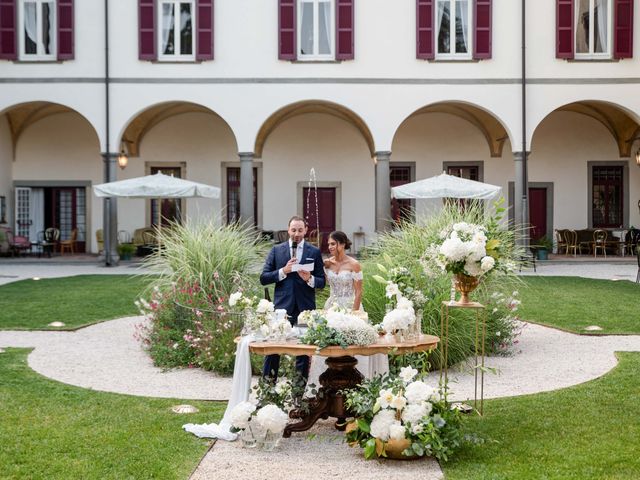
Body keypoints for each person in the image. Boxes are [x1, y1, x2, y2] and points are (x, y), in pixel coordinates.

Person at [307, 231, 388, 385]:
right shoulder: (326, 264)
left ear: (342, 244)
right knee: (329, 343)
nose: (329, 246)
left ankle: (356, 381)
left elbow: (358, 291)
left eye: (333, 243)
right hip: (331, 307)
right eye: (329, 244)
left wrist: (354, 314)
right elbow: (320, 284)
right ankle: (325, 382)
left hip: (351, 307)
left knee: (352, 345)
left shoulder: (354, 264)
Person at [260, 215, 325, 380]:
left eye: (300, 230)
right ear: (288, 230)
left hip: (305, 309)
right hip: (282, 308)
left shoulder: (314, 251)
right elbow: (264, 278)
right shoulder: (277, 250)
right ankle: (268, 387)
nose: (297, 233)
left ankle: (299, 393)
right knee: (274, 348)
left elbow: (322, 282)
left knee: (303, 350)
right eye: (294, 230)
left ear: (305, 231)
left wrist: (309, 279)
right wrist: (284, 271)